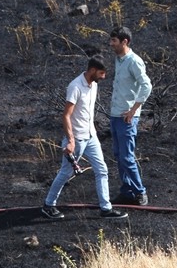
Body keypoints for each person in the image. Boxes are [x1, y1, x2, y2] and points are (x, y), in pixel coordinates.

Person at [42, 57, 128, 220]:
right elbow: (66, 115)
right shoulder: (75, 87)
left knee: (102, 169)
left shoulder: (93, 85)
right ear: (93, 70)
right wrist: (71, 141)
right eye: (101, 73)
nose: (103, 77)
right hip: (77, 139)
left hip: (91, 137)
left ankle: (106, 208)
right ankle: (48, 205)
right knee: (66, 173)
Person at [108, 26, 152, 206]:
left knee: (127, 156)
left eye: (114, 41)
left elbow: (146, 85)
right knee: (119, 154)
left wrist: (134, 110)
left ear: (124, 41)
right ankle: (127, 190)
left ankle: (140, 191)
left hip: (127, 117)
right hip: (115, 114)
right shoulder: (119, 59)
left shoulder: (134, 61)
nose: (111, 44)